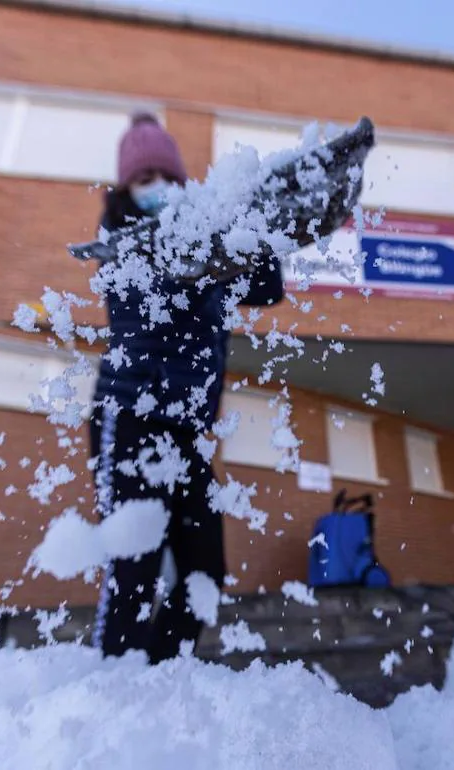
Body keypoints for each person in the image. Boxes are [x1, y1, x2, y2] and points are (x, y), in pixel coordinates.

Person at [88, 113, 284, 662]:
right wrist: (212, 245)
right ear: (127, 187)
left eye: (163, 174)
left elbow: (266, 288)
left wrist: (251, 227)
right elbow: (160, 289)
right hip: (129, 417)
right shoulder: (122, 241)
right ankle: (112, 688)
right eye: (143, 177)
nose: (156, 186)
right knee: (135, 563)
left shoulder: (206, 230)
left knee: (204, 572)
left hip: (186, 431)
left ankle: (157, 677)